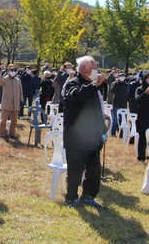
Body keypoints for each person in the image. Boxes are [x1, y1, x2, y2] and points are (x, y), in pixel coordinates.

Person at [62, 55, 107, 208]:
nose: (96, 72)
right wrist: (94, 84)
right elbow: (77, 96)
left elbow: (96, 110)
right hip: (76, 136)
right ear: (83, 70)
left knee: (94, 170)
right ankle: (71, 198)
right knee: (75, 169)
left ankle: (88, 195)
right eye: (93, 69)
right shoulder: (73, 83)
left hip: (92, 137)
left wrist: (102, 130)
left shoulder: (93, 87)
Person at [0, 64, 23, 139]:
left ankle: (12, 134)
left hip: (16, 103)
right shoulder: (5, 79)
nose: (13, 72)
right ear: (8, 71)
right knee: (4, 120)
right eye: (11, 70)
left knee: (14, 121)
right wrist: (1, 75)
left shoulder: (17, 80)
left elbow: (20, 91)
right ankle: (2, 133)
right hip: (6, 103)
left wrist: (21, 100)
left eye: (14, 70)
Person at [110, 72, 129, 136]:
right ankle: (113, 132)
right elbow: (112, 91)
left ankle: (121, 134)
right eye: (121, 76)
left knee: (122, 120)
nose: (122, 77)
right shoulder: (115, 83)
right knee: (115, 120)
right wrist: (116, 84)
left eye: (123, 76)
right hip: (116, 104)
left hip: (123, 104)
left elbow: (127, 94)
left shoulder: (126, 85)